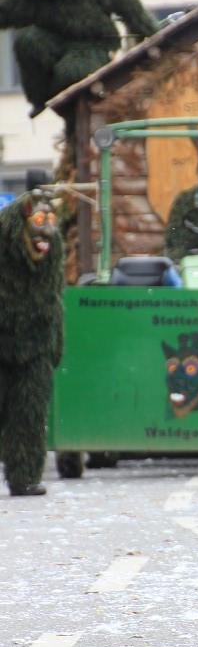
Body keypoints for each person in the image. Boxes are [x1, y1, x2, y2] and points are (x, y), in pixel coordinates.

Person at [0, 0, 157, 118]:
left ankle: (71, 108)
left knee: (71, 72)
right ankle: (39, 99)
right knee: (27, 39)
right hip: (55, 45)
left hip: (92, 46)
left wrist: (149, 32)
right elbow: (4, 9)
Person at [0, 191, 64, 496]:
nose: (46, 230)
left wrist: (56, 344)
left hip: (36, 345)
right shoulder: (4, 247)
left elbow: (55, 300)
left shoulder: (53, 253)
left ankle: (25, 475)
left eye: (50, 221)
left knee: (30, 414)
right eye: (39, 220)